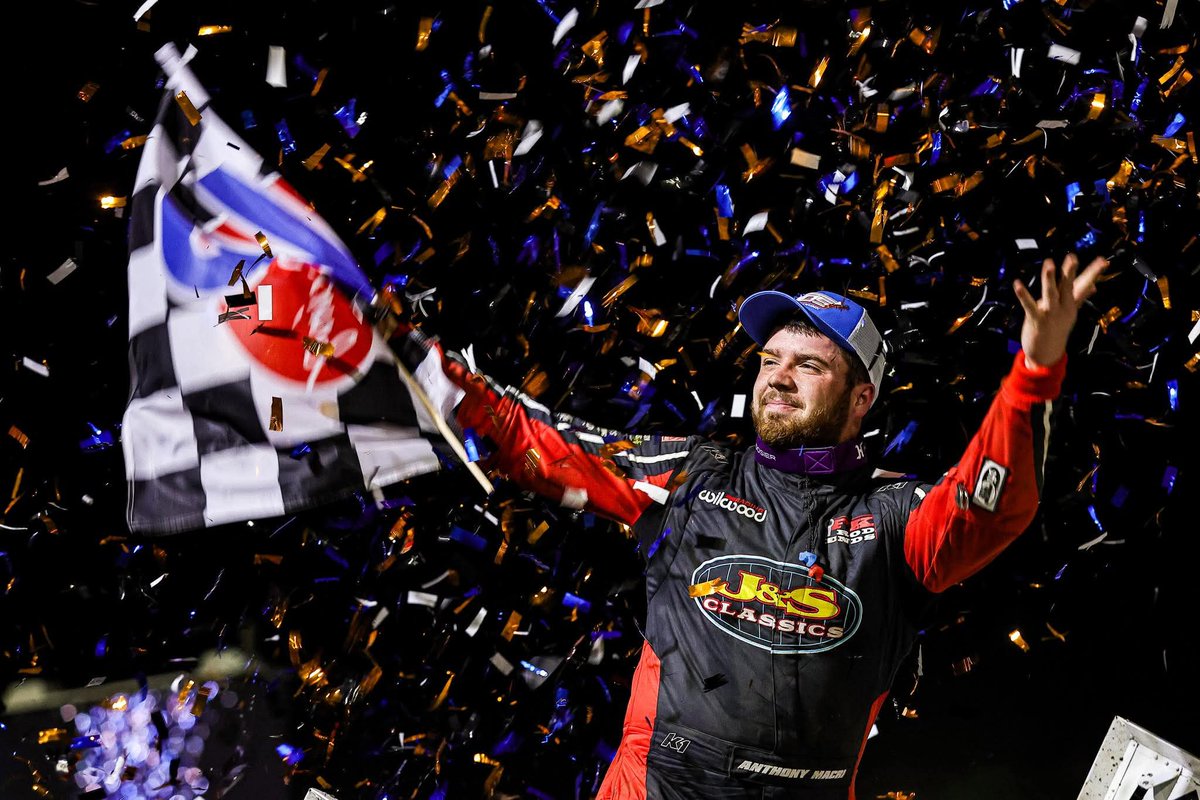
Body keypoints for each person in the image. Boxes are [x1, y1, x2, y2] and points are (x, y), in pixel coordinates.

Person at [403, 253, 1107, 799]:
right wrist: (411, 356)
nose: (777, 376)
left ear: (863, 397)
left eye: (808, 364)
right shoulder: (691, 473)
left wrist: (1035, 373)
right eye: (770, 359)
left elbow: (990, 506)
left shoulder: (895, 515)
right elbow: (536, 439)